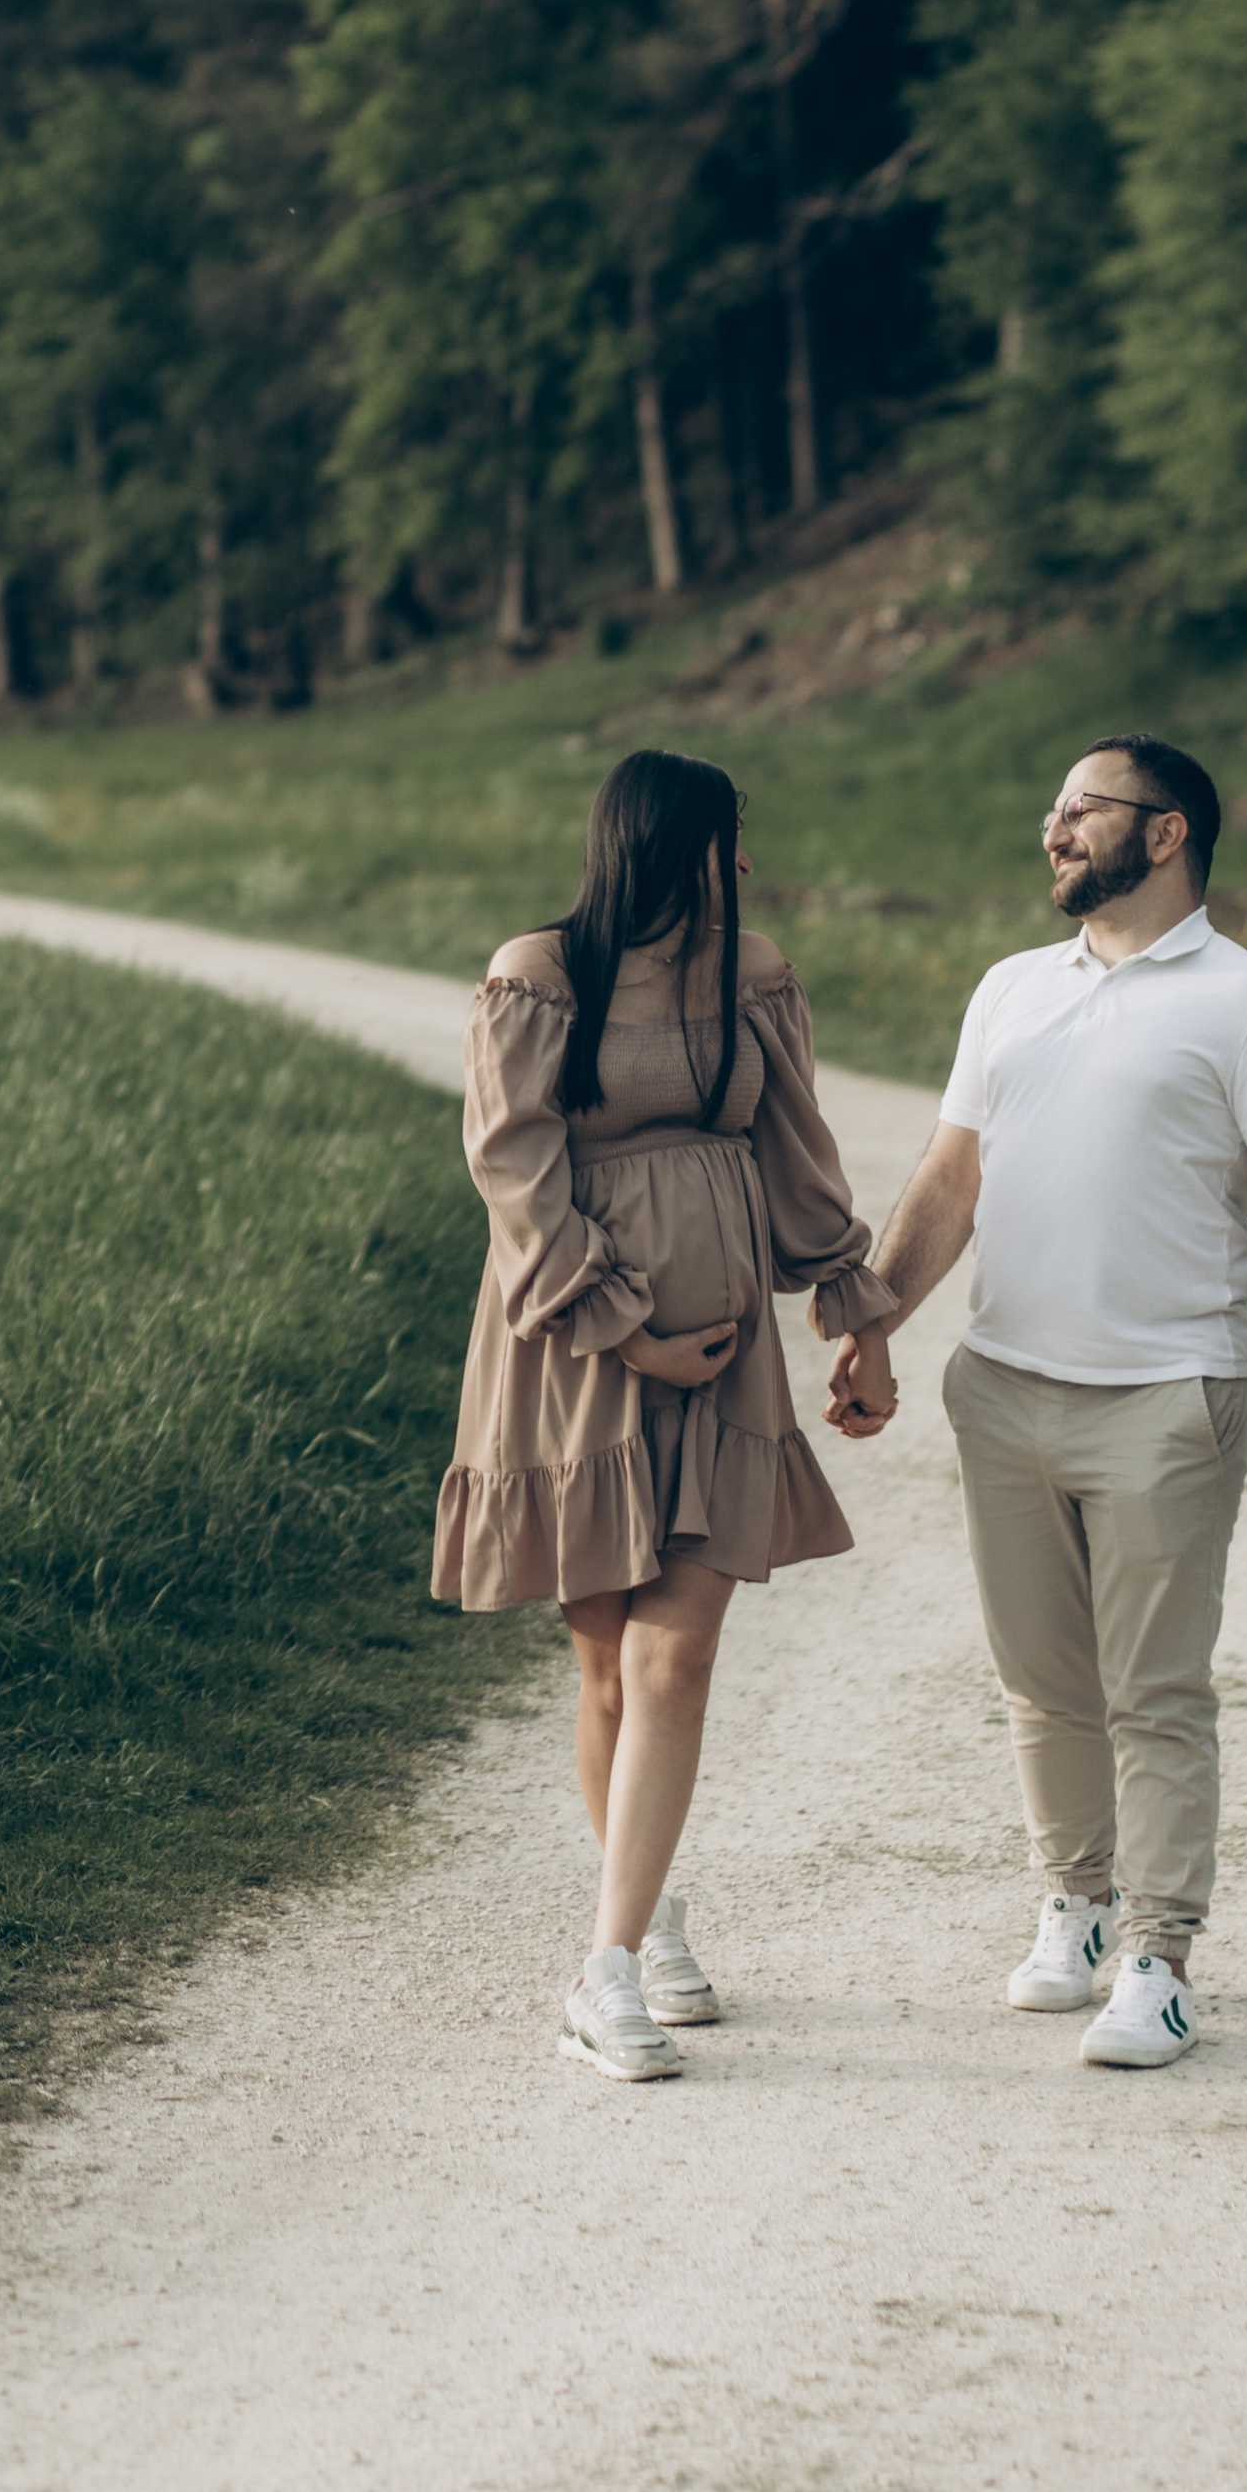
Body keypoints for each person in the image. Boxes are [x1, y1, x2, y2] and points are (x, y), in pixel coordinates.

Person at [825, 733, 1247, 2068]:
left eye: (1083, 808)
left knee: (1155, 1690)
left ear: (1166, 834)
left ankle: (1159, 1960)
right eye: (1052, 808)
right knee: (1043, 1682)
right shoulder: (1010, 988)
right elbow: (951, 1181)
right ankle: (1076, 1904)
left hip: (1169, 1395)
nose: (1053, 829)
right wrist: (876, 1325)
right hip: (1004, 1388)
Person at [436, 749, 896, 2083]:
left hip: (728, 1364)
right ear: (658, 843)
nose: (742, 865)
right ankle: (645, 1924)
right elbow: (513, 1172)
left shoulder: (753, 978)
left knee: (673, 1660)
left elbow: (796, 1155)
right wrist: (625, 1325)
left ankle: (608, 1969)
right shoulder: (539, 977)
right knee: (604, 1671)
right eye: (721, 840)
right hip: (577, 1357)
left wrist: (857, 1316)